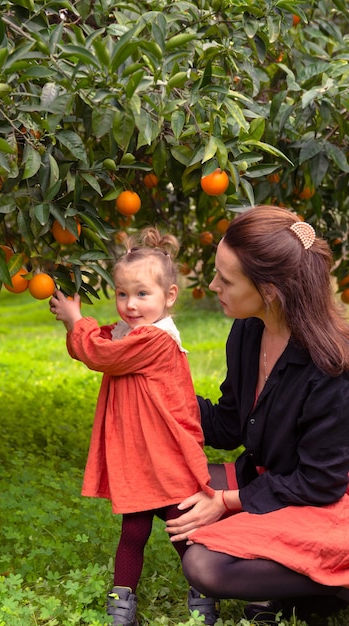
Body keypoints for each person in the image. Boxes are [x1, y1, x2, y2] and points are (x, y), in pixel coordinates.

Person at [164, 205, 349, 624]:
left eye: (226, 280)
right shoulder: (249, 330)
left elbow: (320, 483)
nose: (213, 286)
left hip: (329, 502)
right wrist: (158, 397)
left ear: (269, 291)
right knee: (169, 481)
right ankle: (300, 584)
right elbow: (231, 425)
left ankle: (334, 580)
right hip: (273, 483)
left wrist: (227, 502)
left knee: (205, 567)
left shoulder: (330, 368)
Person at [49, 227, 216, 626]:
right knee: (134, 533)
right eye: (122, 294)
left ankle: (206, 594)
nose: (130, 304)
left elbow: (100, 352)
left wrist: (77, 320)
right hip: (140, 457)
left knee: (183, 530)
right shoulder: (134, 334)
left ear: (169, 296)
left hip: (166, 455)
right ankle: (122, 605)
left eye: (142, 294)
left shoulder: (157, 340)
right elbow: (103, 341)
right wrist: (80, 325)